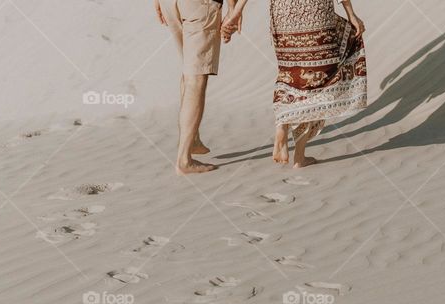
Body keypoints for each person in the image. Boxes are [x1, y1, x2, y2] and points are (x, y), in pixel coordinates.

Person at [222, 0, 367, 168]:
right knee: (317, 84)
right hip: (317, 14)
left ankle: (283, 124)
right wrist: (351, 14)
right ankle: (299, 155)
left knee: (289, 75)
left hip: (283, 18)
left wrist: (237, 10)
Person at [156, 0, 241, 175]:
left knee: (189, 72)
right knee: (196, 78)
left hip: (170, 4)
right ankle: (184, 160)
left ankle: (193, 139)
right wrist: (233, 9)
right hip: (199, 6)